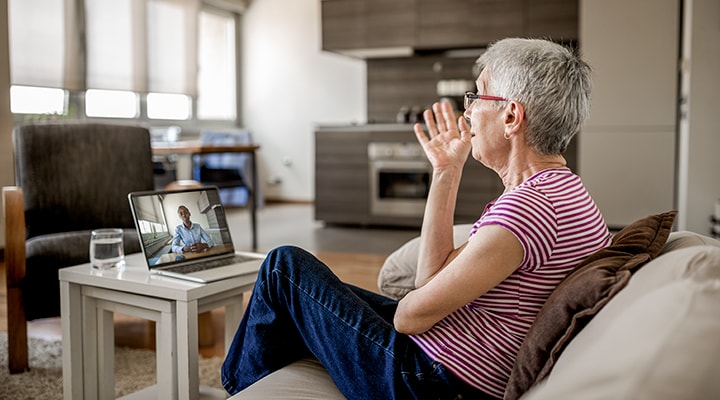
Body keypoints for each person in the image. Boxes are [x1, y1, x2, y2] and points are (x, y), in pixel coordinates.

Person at [221, 38, 612, 400]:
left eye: (478, 95)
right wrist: (445, 171)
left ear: (511, 116)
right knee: (312, 298)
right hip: (445, 362)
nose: (469, 108)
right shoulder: (559, 191)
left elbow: (410, 315)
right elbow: (429, 280)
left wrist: (415, 306)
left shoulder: (527, 210)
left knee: (283, 269)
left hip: (428, 382)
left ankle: (235, 389)